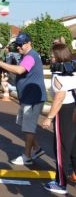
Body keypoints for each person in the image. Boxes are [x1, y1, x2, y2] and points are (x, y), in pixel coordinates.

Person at [0, 32, 47, 165]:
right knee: (25, 125)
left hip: (32, 98)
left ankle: (27, 156)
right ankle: (36, 149)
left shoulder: (31, 56)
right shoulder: (26, 55)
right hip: (27, 97)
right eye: (17, 45)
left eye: (21, 44)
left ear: (29, 43)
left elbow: (20, 70)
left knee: (28, 127)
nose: (19, 47)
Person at [42, 44, 76, 195]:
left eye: (52, 55)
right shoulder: (72, 69)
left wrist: (49, 117)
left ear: (57, 56)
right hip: (74, 108)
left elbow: (59, 97)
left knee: (61, 148)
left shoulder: (58, 73)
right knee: (74, 147)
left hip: (65, 112)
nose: (50, 57)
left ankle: (60, 183)